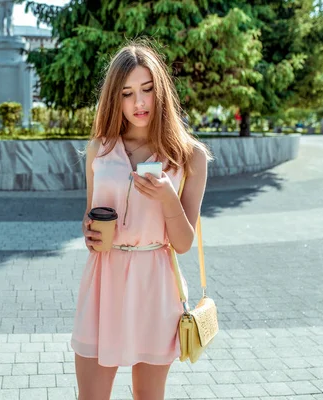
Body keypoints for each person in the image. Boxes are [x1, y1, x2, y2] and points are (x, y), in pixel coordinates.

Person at [71, 41, 212, 400]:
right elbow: (89, 215)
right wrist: (87, 232)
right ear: (114, 99)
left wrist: (167, 196)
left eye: (147, 90)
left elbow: (182, 243)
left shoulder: (190, 157)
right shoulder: (98, 149)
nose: (139, 103)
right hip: (103, 280)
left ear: (161, 90)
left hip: (155, 284)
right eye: (127, 93)